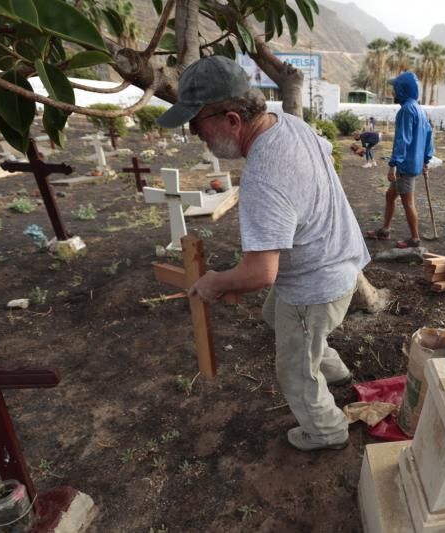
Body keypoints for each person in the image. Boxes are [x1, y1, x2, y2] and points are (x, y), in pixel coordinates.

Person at [156, 56, 370, 452]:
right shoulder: (288, 124)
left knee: (293, 368)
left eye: (197, 123)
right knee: (274, 316)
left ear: (233, 120)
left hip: (315, 284)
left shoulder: (262, 176)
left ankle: (327, 431)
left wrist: (214, 282)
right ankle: (335, 369)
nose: (194, 134)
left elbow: (260, 274)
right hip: (337, 260)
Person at [365, 71, 433, 249]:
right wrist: (426, 159)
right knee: (390, 196)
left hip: (405, 165)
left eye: (395, 89)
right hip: (413, 163)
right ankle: (385, 229)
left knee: (408, 202)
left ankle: (415, 239)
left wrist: (393, 164)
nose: (393, 93)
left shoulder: (405, 111)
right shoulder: (420, 110)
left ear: (402, 90)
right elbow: (429, 136)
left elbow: (403, 139)